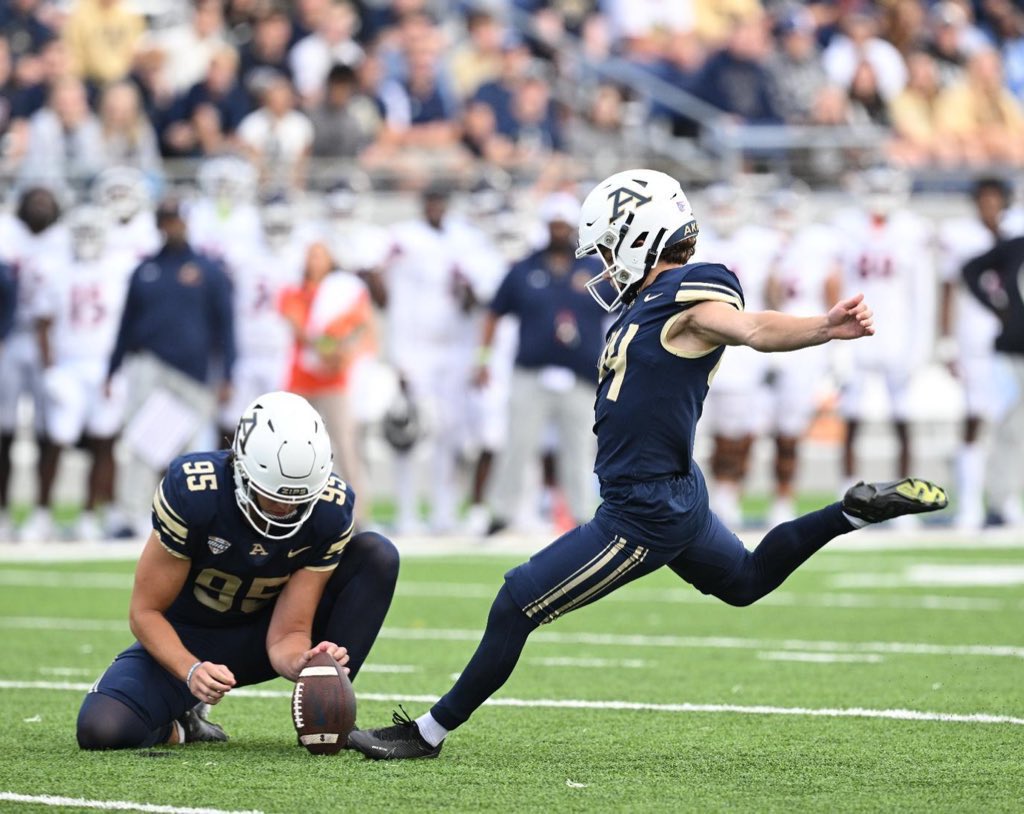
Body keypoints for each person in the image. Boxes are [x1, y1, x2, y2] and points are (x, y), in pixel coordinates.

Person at [346, 168, 947, 760]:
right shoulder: (648, 303)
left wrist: (823, 327)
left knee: (515, 603)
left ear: (640, 236)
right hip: (673, 492)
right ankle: (850, 511)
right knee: (746, 582)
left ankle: (427, 732)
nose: (604, 260)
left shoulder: (689, 297)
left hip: (643, 509)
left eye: (610, 245)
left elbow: (750, 326)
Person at [76, 391, 400, 749]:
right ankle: (182, 726)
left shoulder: (329, 508)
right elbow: (145, 611)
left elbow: (288, 632)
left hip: (261, 635)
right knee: (101, 729)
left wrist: (304, 662)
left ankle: (327, 708)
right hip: (189, 635)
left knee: (377, 556)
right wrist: (190, 669)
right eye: (274, 494)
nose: (285, 506)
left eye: (299, 497)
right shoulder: (194, 492)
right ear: (242, 467)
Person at [470, 192, 604, 534]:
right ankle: (501, 513)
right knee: (517, 444)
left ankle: (580, 514)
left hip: (580, 374)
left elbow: (619, 313)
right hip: (530, 372)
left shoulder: (594, 268)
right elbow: (494, 314)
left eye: (564, 225)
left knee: (579, 448)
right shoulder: (525, 268)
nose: (559, 231)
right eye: (554, 225)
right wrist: (483, 358)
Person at [107, 197, 236, 537]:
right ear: (158, 224)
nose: (172, 226)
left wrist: (228, 374)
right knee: (142, 440)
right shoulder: (145, 270)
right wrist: (112, 369)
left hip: (193, 372)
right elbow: (126, 324)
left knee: (194, 449)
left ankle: (197, 518)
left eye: (176, 219)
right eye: (166, 219)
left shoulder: (209, 270)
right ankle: (131, 513)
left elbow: (226, 327)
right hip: (149, 364)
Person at [34, 206, 135, 539]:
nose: (88, 241)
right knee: (57, 440)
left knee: (104, 440)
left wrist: (119, 366)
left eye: (93, 233)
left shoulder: (119, 270)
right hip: (68, 366)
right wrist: (49, 367)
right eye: (82, 233)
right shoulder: (57, 270)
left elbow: (128, 324)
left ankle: (91, 515)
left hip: (105, 365)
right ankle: (42, 513)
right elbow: (43, 323)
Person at [834, 168, 934, 503]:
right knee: (851, 418)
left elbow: (923, 293)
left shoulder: (912, 229)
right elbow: (835, 285)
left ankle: (903, 495)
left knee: (904, 420)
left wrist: (919, 346)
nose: (879, 195)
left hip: (896, 335)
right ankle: (846, 494)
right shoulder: (845, 226)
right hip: (854, 333)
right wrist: (835, 345)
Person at [937, 178, 1013, 529]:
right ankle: (970, 502)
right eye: (984, 199)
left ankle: (1005, 498)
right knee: (973, 418)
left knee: (1010, 424)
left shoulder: (1015, 232)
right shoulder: (961, 236)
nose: (990, 205)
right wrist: (946, 338)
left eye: (995, 199)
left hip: (1014, 340)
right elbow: (950, 287)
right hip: (975, 338)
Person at [0, 186, 67, 541]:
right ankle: (4, 513)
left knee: (48, 430)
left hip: (50, 340)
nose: (42, 207)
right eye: (35, 201)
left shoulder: (63, 239)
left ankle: (43, 512)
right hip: (9, 337)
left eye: (47, 200)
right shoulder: (6, 232)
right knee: (4, 429)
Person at [962, 227, 1024, 526]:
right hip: (1014, 350)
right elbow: (970, 269)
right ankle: (1002, 501)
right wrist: (998, 308)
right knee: (1009, 427)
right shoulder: (1016, 246)